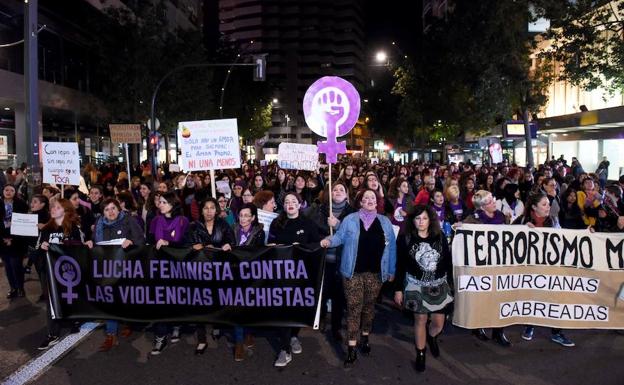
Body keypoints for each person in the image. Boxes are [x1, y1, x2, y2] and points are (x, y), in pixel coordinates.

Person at [320, 189, 396, 366]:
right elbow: (339, 237)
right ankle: (352, 347)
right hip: (352, 273)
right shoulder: (350, 220)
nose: (369, 199)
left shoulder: (385, 222)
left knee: (368, 308)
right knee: (354, 308)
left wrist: (391, 270)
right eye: (365, 197)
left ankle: (365, 335)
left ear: (377, 202)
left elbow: (391, 249)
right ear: (360, 202)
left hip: (376, 274)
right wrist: (328, 241)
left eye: (372, 197)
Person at [395, 205, 453, 372]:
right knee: (419, 320)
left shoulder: (439, 236)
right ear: (413, 220)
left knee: (438, 323)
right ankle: (420, 353)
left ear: (430, 220)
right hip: (415, 285)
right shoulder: (405, 238)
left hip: (439, 286)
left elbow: (447, 261)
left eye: (425, 218)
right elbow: (400, 266)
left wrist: (450, 282)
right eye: (418, 218)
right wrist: (398, 289)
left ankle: (432, 337)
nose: (421, 222)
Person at [513, 192, 575, 347]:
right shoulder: (521, 221)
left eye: (548, 204)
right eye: (544, 204)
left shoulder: (554, 221)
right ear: (534, 207)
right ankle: (530, 324)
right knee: (532, 296)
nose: (548, 207)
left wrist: (588, 234)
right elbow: (505, 237)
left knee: (556, 298)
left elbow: (562, 240)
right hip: (530, 269)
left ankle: (556, 332)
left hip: (550, 268)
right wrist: (522, 230)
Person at [268, 192, 320, 367]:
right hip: (281, 274)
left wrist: (303, 248)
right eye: (287, 201)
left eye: (293, 201)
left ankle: (293, 336)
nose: (290, 204)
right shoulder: (277, 223)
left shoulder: (308, 223)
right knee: (283, 310)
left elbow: (316, 244)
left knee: (297, 309)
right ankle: (284, 349)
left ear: (300, 204)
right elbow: (270, 244)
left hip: (301, 274)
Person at [91, 198, 145, 352]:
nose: (111, 212)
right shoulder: (99, 224)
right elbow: (96, 243)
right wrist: (90, 243)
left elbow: (141, 240)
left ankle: (128, 323)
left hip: (128, 267)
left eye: (113, 208)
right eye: (107, 209)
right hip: (108, 269)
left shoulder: (129, 220)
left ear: (119, 208)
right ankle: (111, 335)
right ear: (103, 212)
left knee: (125, 298)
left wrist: (131, 241)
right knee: (109, 300)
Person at [184, 197, 235, 355]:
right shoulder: (193, 226)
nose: (209, 211)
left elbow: (232, 242)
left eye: (212, 207)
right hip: (199, 272)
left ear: (217, 209)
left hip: (219, 271)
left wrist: (227, 246)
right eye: (205, 208)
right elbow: (184, 246)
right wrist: (193, 247)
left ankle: (217, 326)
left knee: (217, 300)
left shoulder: (224, 224)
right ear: (201, 210)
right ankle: (201, 339)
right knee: (199, 304)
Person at [307, 181, 355, 342]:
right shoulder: (321, 210)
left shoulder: (352, 212)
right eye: (335, 189)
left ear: (347, 194)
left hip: (342, 261)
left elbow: (354, 235)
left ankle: (336, 326)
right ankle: (319, 319)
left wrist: (338, 225)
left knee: (339, 296)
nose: (338, 191)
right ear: (330, 193)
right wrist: (325, 234)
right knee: (322, 291)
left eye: (342, 189)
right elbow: (312, 232)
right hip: (324, 259)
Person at [462, 190, 511, 346]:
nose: (494, 202)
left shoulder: (501, 216)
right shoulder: (472, 220)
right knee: (482, 297)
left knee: (501, 297)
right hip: (482, 265)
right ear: (482, 207)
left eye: (493, 199)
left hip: (500, 263)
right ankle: (479, 325)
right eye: (490, 201)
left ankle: (499, 330)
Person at [37, 199, 87, 350]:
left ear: (65, 211)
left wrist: (68, 244)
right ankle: (53, 333)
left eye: (57, 207)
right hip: (50, 272)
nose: (53, 209)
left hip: (69, 273)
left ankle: (74, 320)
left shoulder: (74, 228)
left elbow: (81, 249)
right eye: (52, 207)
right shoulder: (45, 229)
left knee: (70, 297)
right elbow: (36, 250)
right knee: (51, 302)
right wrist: (42, 247)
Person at [148, 191, 190, 355]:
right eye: (160, 202)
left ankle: (177, 325)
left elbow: (186, 243)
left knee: (176, 299)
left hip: (177, 267)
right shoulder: (156, 220)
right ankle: (160, 337)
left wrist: (169, 242)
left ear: (173, 204)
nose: (160, 204)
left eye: (164, 202)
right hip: (159, 266)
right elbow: (150, 240)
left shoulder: (183, 221)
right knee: (160, 302)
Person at [231, 203, 265, 361]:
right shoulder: (232, 230)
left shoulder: (259, 233)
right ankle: (238, 343)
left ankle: (249, 332)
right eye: (241, 215)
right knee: (237, 309)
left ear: (253, 217)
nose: (243, 218)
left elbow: (258, 253)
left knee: (249, 307)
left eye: (247, 215)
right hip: (234, 275)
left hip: (251, 276)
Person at [1, 184, 28, 298]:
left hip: (17, 240)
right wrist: (4, 238)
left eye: (11, 190)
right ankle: (13, 288)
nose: (8, 192)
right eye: (6, 190)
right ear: (2, 191)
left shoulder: (21, 204)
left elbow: (24, 222)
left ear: (15, 192)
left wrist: (12, 239)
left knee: (16, 265)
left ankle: (20, 288)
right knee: (7, 266)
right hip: (2, 240)